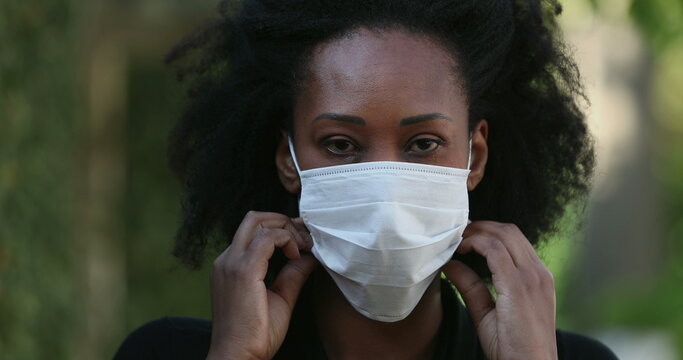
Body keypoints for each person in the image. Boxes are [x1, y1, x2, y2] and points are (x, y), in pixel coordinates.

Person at [115, 0, 618, 359]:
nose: (386, 200)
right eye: (340, 144)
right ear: (287, 159)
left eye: (423, 144)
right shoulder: (167, 351)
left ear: (475, 155)